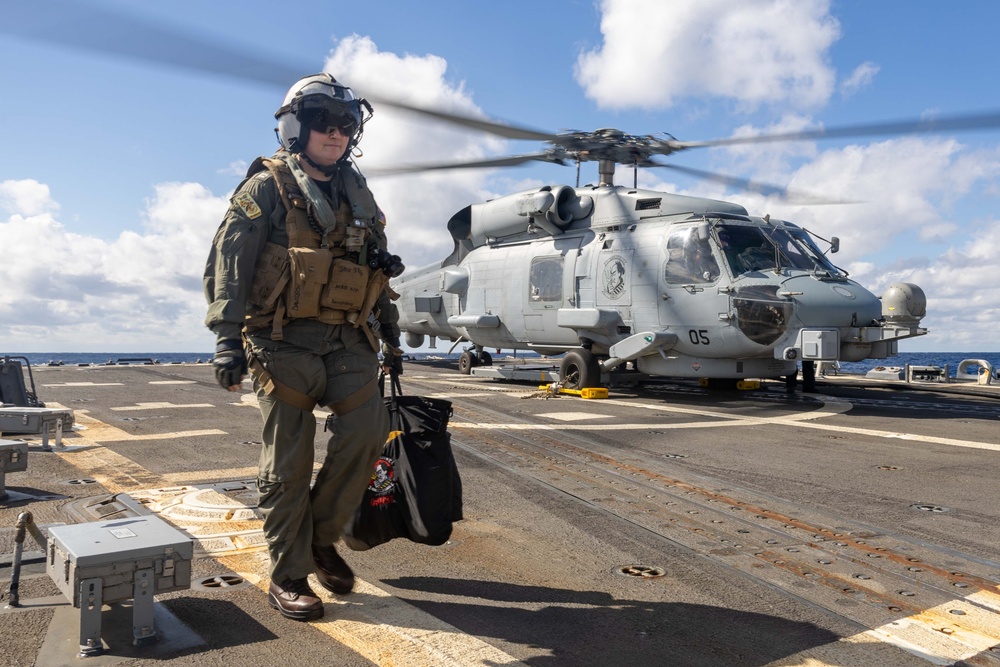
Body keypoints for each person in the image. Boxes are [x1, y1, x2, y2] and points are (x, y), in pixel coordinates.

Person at [204, 73, 402, 622]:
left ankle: (319, 539)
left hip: (347, 339)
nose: (336, 134)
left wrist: (392, 336)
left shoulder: (357, 194)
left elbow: (379, 271)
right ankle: (288, 573)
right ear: (297, 127)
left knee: (366, 432)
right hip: (282, 341)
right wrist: (227, 342)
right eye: (323, 123)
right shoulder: (264, 188)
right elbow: (230, 265)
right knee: (288, 462)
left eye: (345, 125)